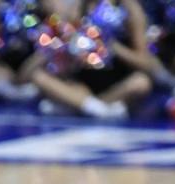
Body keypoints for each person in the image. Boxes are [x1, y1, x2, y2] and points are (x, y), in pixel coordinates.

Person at [24, 0, 155, 116]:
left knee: (141, 82)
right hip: (83, 82)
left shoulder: (129, 8)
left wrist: (114, 47)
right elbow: (63, 45)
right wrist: (70, 44)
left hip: (117, 82)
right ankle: (95, 108)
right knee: (39, 76)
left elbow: (145, 62)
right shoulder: (78, 8)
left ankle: (83, 106)